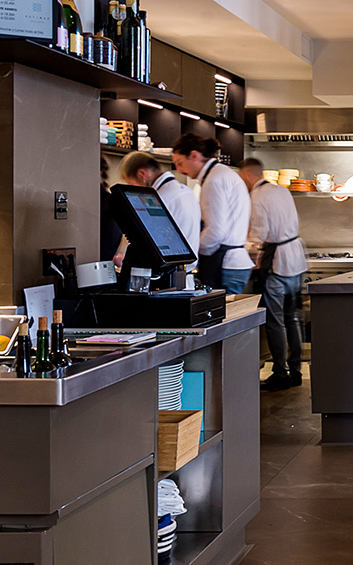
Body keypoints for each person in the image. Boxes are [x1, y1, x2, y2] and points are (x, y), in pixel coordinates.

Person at [238, 156, 306, 389]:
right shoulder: (281, 190)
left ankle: (280, 372)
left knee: (275, 320)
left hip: (277, 262)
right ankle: (295, 370)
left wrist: (246, 246)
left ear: (247, 175)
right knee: (292, 317)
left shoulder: (257, 195)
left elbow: (260, 233)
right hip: (295, 259)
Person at [172, 133, 251, 292]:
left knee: (222, 309)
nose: (179, 170)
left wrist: (193, 252)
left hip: (225, 264)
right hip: (234, 262)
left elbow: (216, 231)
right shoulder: (222, 173)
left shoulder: (214, 180)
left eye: (180, 163)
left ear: (194, 156)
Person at [111, 150, 201, 276]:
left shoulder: (158, 200)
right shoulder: (186, 191)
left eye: (130, 182)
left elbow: (146, 243)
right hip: (185, 275)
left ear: (142, 174)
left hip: (167, 278)